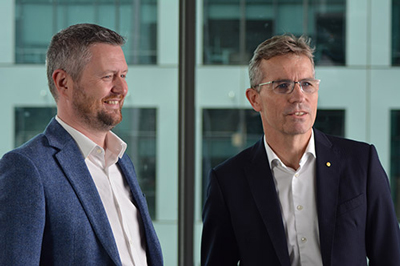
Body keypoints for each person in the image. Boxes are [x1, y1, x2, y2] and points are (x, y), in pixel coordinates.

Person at [201, 34, 400, 265]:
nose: (299, 97)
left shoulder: (361, 163)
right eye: (282, 86)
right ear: (254, 99)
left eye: (307, 84)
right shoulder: (228, 182)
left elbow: (390, 257)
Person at [0, 23, 163, 266]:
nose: (122, 88)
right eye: (107, 76)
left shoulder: (122, 160)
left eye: (124, 75)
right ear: (63, 82)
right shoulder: (27, 169)